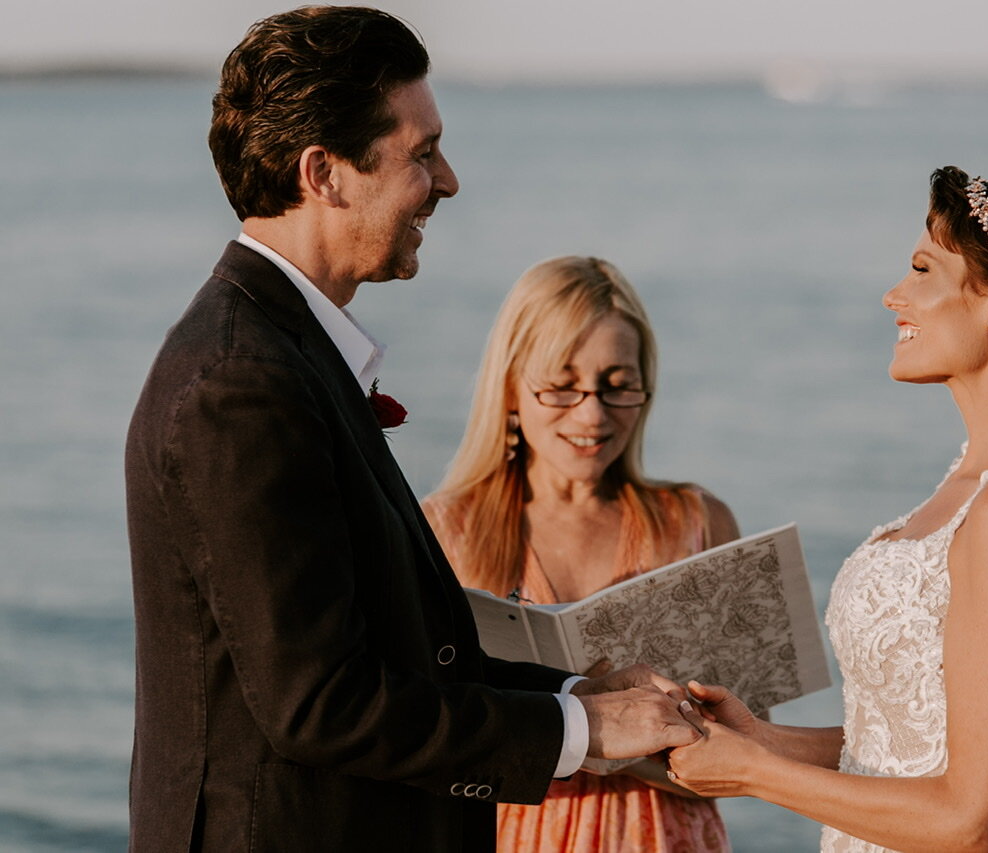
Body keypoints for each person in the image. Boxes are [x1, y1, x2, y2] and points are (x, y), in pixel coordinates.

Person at [124, 8, 701, 852]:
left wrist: (582, 695)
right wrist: (587, 737)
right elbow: (324, 702)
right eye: (421, 153)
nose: (450, 180)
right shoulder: (242, 384)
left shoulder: (280, 349)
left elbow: (404, 652)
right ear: (324, 172)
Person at [666, 166, 988, 852]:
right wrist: (763, 739)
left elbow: (970, 822)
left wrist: (753, 773)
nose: (893, 295)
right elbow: (915, 738)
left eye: (922, 269)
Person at [422, 255, 740, 851]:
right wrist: (605, 734)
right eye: (562, 387)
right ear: (512, 387)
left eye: (617, 387)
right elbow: (417, 740)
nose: (592, 415)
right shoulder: (441, 531)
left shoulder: (697, 523)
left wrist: (575, 741)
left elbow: (749, 759)